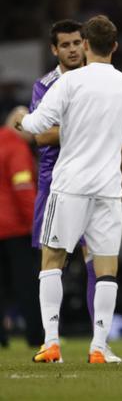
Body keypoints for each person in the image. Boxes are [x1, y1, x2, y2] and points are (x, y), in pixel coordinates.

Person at [14, 15, 122, 364]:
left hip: (69, 185)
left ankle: (52, 342)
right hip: (107, 188)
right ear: (115, 46)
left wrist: (19, 120)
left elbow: (37, 125)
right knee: (106, 268)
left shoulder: (69, 84)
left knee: (52, 260)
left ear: (85, 45)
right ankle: (99, 347)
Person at [28, 20, 97, 322]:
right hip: (55, 182)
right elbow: (41, 135)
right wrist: (87, 122)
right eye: (65, 45)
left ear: (86, 44)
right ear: (54, 50)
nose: (72, 49)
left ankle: (100, 338)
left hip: (95, 179)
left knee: (98, 260)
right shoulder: (44, 86)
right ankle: (50, 337)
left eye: (76, 43)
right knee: (52, 260)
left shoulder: (99, 79)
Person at [0, 111, 40, 346]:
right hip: (15, 228)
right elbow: (23, 187)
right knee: (27, 286)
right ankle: (36, 336)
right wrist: (37, 224)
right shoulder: (17, 148)